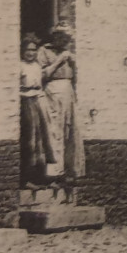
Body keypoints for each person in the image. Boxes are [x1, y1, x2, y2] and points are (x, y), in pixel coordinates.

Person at [38, 25, 85, 203]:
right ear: (55, 37)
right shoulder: (44, 51)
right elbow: (42, 75)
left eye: (67, 39)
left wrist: (73, 65)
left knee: (69, 132)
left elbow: (75, 77)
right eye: (61, 38)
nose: (64, 42)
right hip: (52, 92)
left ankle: (68, 172)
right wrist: (59, 61)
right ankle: (53, 174)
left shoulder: (68, 53)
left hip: (67, 93)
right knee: (54, 131)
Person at [18, 33, 53, 187]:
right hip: (26, 100)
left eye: (33, 50)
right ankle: (27, 178)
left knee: (42, 139)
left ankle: (41, 177)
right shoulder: (20, 66)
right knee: (30, 140)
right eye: (27, 50)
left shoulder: (38, 66)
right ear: (22, 51)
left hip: (39, 100)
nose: (31, 53)